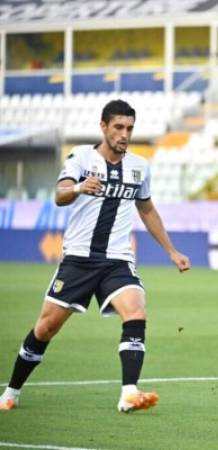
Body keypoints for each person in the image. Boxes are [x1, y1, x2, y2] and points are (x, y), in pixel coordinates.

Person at [0, 100, 191, 413]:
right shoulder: (80, 157)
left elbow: (146, 208)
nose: (124, 134)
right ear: (103, 127)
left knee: (136, 311)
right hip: (78, 260)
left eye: (129, 128)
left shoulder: (140, 167)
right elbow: (59, 195)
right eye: (118, 127)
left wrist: (171, 250)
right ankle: (11, 391)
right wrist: (77, 188)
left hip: (117, 260)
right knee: (45, 328)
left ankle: (129, 392)